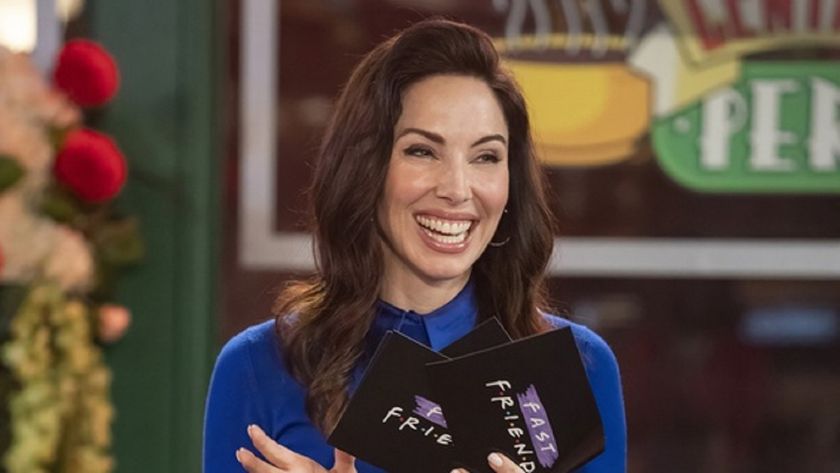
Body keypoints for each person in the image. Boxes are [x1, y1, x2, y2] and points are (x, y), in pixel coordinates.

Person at [203, 18, 626, 473]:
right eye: (422, 151)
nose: (458, 189)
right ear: (365, 166)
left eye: (486, 157)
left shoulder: (581, 367)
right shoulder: (258, 365)